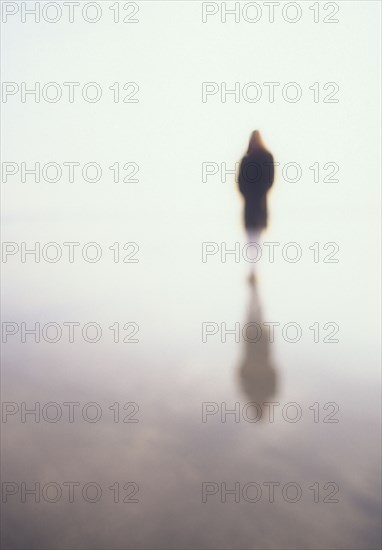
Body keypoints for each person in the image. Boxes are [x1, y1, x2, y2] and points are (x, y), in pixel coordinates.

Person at [238, 130, 274, 284]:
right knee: (255, 239)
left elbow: (240, 183)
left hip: (253, 204)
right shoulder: (265, 158)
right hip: (258, 204)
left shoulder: (247, 159)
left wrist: (249, 194)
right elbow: (270, 180)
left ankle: (253, 270)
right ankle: (253, 270)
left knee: (252, 239)